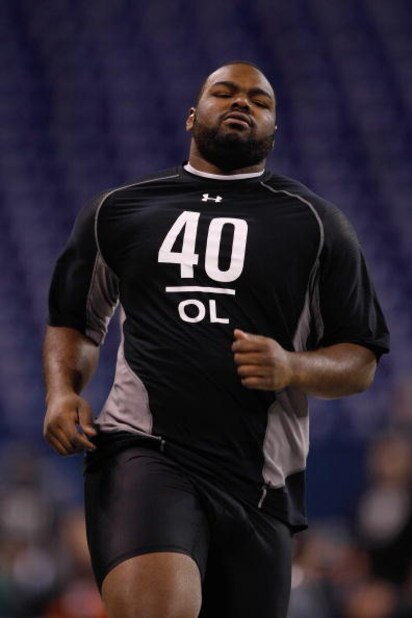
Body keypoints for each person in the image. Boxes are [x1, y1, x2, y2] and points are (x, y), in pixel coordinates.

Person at [43, 61, 390, 618]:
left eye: (259, 100)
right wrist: (61, 392)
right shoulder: (120, 210)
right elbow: (75, 320)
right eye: (223, 93)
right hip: (145, 453)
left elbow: (360, 360)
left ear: (274, 129)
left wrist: (291, 367)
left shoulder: (318, 225)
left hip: (259, 483)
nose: (241, 104)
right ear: (191, 116)